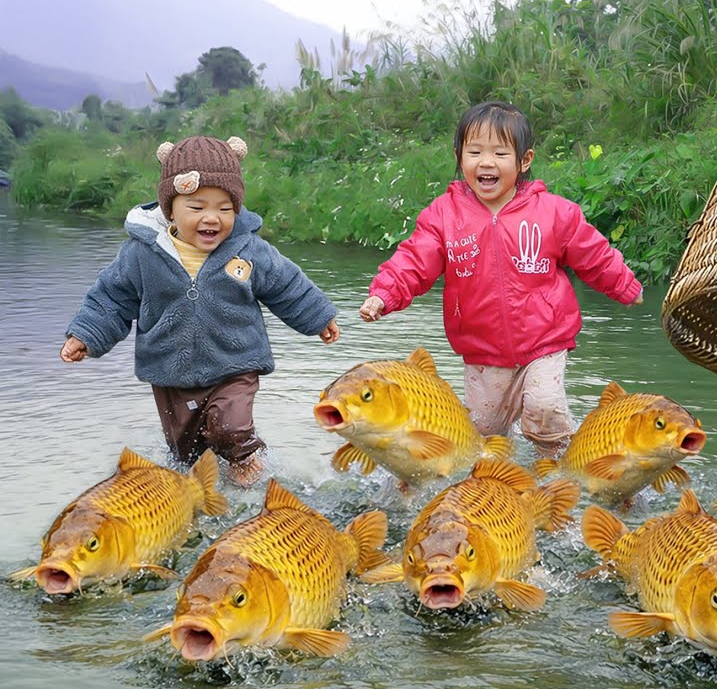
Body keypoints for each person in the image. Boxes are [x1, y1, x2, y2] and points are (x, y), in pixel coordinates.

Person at [359, 101, 643, 459]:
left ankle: (556, 469)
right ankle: (496, 481)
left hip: (544, 341)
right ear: (459, 157)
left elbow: (593, 254)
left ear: (524, 161)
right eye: (475, 152)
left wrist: (625, 286)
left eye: (500, 153)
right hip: (483, 352)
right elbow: (414, 261)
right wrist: (383, 294)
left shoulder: (554, 213)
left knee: (545, 408)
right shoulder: (443, 216)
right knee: (485, 439)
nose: (486, 162)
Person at [61, 136, 340, 487]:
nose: (212, 218)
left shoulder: (248, 249)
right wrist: (86, 335)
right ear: (170, 210)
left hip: (235, 364)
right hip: (170, 372)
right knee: (187, 459)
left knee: (231, 429)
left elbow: (286, 285)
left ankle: (248, 464)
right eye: (197, 208)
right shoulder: (142, 254)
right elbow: (112, 298)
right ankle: (203, 499)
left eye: (224, 209)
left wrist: (318, 316)